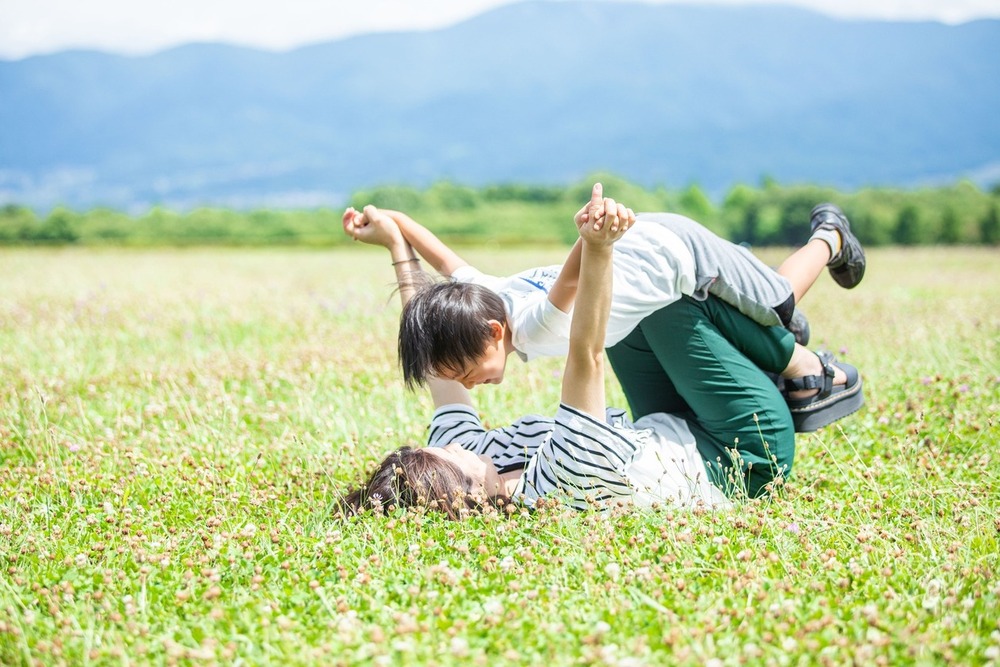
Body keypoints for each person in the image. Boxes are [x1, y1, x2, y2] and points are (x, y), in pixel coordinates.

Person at [340, 194, 858, 518]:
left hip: (665, 424)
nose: (453, 443)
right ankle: (803, 363)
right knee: (667, 298)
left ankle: (766, 335)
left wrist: (395, 243)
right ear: (470, 493)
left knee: (643, 304)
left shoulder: (469, 459)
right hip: (740, 454)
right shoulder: (560, 483)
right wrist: (599, 249)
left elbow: (434, 360)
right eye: (450, 454)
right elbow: (584, 352)